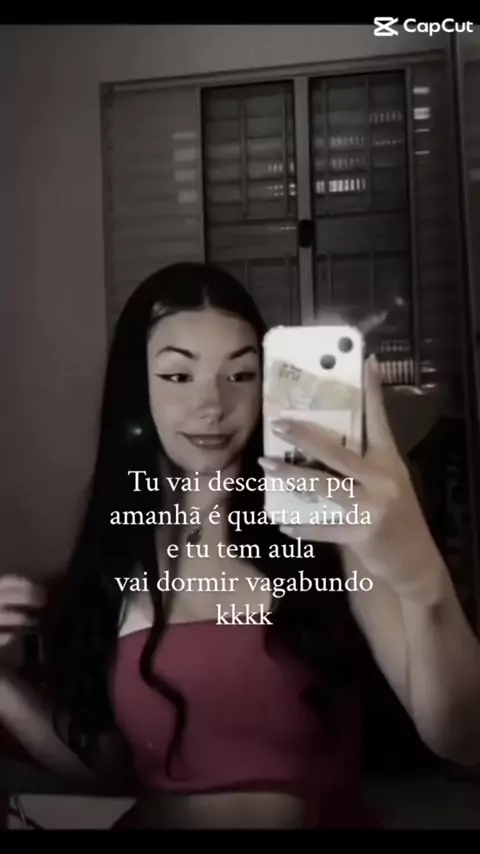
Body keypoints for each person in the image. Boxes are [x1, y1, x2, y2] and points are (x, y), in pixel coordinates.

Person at [1, 261, 480, 830]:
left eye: (242, 374)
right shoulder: (117, 551)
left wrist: (422, 578)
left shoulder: (329, 527)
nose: (213, 404)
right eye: (178, 375)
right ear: (136, 387)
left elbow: (463, 737)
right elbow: (105, 764)